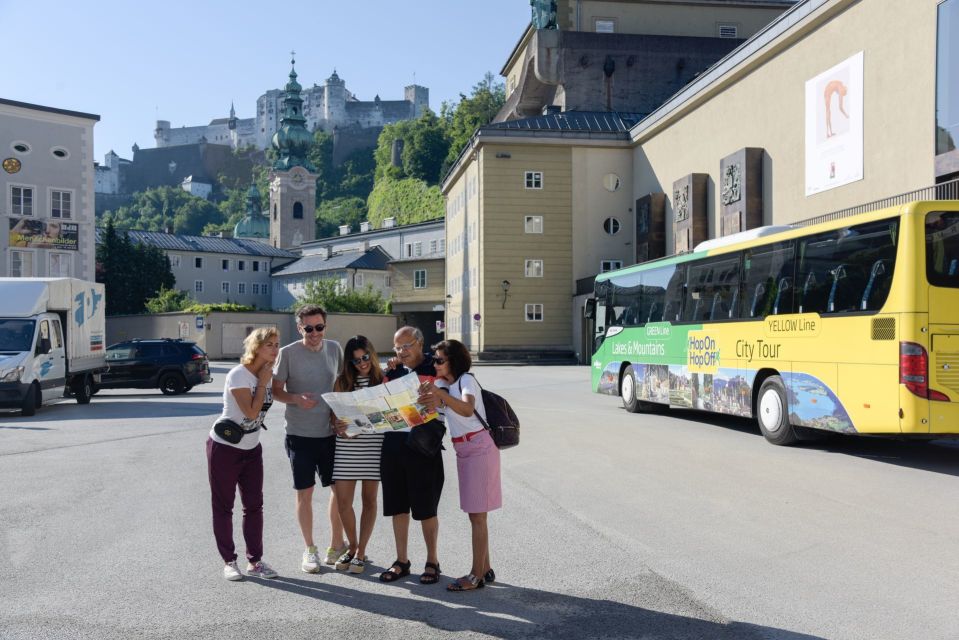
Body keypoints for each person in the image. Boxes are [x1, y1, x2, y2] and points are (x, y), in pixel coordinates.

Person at [271, 305, 347, 573]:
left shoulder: (335, 349)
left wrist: (341, 415)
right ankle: (310, 549)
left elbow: (340, 385)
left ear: (326, 326)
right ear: (299, 327)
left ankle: (337, 545)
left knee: (339, 492)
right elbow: (276, 391)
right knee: (305, 493)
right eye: (308, 328)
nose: (314, 333)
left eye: (319, 327)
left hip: (330, 434)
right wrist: (295, 399)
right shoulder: (287, 353)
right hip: (299, 435)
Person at [425, 340, 501, 592]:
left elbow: (467, 409)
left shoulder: (466, 380)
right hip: (464, 449)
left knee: (478, 515)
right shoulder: (444, 385)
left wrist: (442, 395)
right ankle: (486, 567)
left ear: (453, 362)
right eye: (434, 359)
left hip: (479, 447)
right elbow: (433, 410)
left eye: (439, 360)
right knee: (475, 514)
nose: (434, 363)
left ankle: (476, 575)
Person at [206, 327, 280, 581]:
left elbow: (274, 397)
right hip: (225, 449)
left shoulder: (267, 374)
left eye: (277, 344)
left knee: (254, 506)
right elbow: (250, 412)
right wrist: (261, 382)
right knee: (224, 506)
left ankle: (255, 562)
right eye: (270, 344)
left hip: (251, 448)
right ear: (257, 347)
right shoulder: (239, 375)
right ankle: (229, 561)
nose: (275, 348)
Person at [378, 326, 445, 585]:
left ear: (420, 343)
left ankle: (432, 560)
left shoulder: (436, 365)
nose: (402, 351)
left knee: (426, 507)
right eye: (397, 347)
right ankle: (402, 560)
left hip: (423, 445)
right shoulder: (392, 371)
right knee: (397, 506)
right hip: (393, 443)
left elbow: (448, 394)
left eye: (407, 345)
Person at [330, 335, 386, 574]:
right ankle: (352, 547)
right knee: (343, 503)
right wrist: (337, 426)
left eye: (365, 357)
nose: (362, 363)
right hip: (347, 447)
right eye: (355, 361)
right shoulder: (341, 381)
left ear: (371, 355)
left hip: (374, 446)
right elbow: (333, 419)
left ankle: (361, 551)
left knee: (369, 501)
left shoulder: (383, 379)